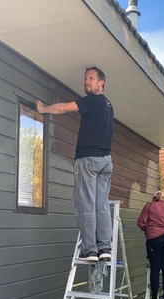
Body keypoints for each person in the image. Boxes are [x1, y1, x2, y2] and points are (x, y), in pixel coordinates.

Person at [37, 66, 114, 262]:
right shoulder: (108, 105)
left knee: (85, 203)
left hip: (89, 159)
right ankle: (105, 247)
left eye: (91, 78)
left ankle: (90, 250)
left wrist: (43, 110)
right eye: (85, 78)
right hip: (105, 161)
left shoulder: (93, 100)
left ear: (101, 83)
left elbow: (62, 108)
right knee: (101, 205)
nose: (86, 81)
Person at [137, 190, 164, 299]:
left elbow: (141, 223)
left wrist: (148, 230)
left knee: (155, 269)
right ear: (163, 198)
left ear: (154, 198)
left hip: (153, 239)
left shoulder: (149, 206)